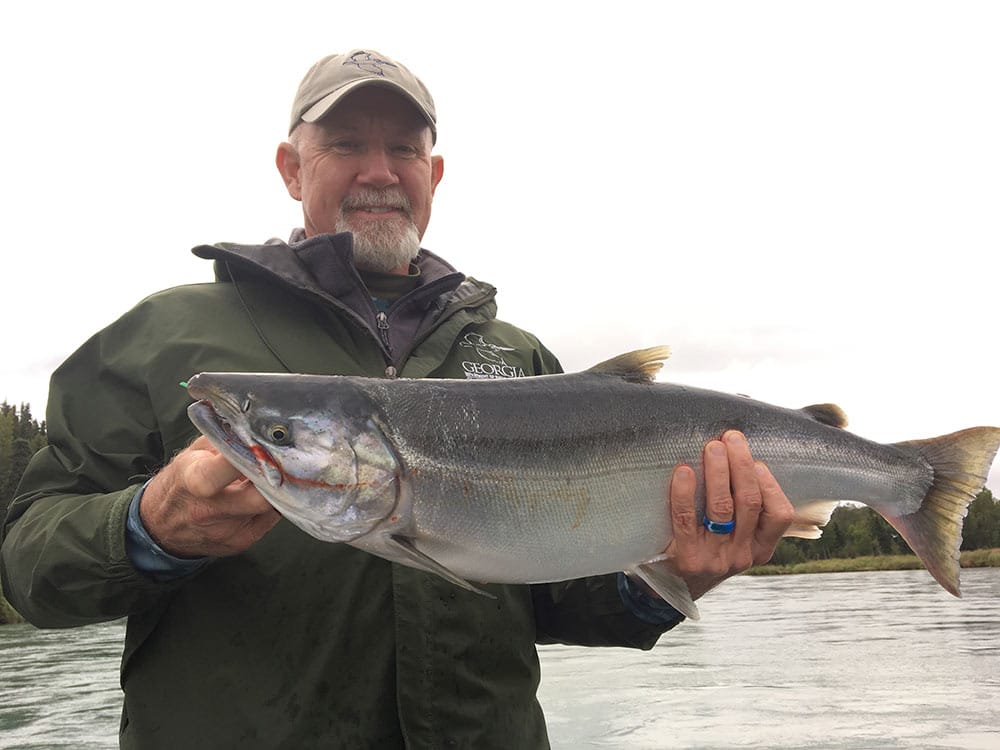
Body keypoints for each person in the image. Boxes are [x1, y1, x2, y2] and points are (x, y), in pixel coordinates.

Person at [0, 49, 794, 748]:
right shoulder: (166, 335)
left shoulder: (517, 356)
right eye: (346, 144)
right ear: (290, 167)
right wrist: (146, 526)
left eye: (403, 148)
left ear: (434, 172)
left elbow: (556, 595)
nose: (378, 172)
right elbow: (28, 564)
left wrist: (675, 576)